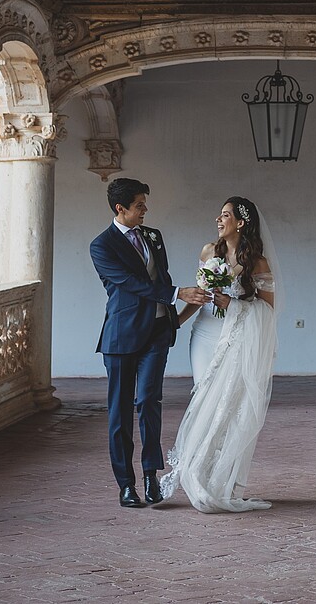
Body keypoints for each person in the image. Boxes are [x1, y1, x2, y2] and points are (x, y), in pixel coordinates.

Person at [90, 177, 212, 508]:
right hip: (121, 337)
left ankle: (150, 476)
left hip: (157, 333)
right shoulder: (101, 246)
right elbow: (129, 284)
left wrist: (174, 314)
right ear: (121, 209)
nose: (146, 210)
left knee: (148, 403)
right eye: (140, 205)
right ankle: (126, 484)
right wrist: (177, 294)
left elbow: (162, 277)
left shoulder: (153, 237)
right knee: (119, 414)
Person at [161, 195, 280, 513]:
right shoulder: (207, 252)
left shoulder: (257, 262)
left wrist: (234, 304)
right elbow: (200, 297)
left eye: (225, 215)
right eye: (219, 214)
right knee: (203, 396)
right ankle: (193, 470)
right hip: (204, 333)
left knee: (226, 403)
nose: (218, 219)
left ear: (240, 223)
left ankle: (215, 478)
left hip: (237, 335)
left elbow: (268, 309)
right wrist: (175, 323)